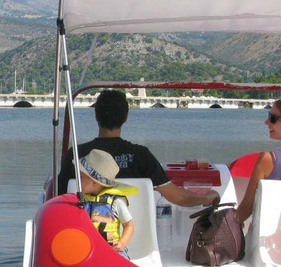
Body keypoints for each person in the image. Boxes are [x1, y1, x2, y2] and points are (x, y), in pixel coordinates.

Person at [57, 89, 218, 207]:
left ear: (96, 116)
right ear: (126, 117)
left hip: (88, 237)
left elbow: (60, 198)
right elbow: (179, 198)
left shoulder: (76, 155)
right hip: (134, 239)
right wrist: (207, 198)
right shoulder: (141, 156)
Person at [76, 149, 136, 257]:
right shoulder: (81, 200)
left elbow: (129, 225)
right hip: (87, 249)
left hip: (112, 249)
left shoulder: (116, 202)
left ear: (94, 182)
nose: (78, 180)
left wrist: (121, 243)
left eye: (81, 177)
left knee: (119, 262)